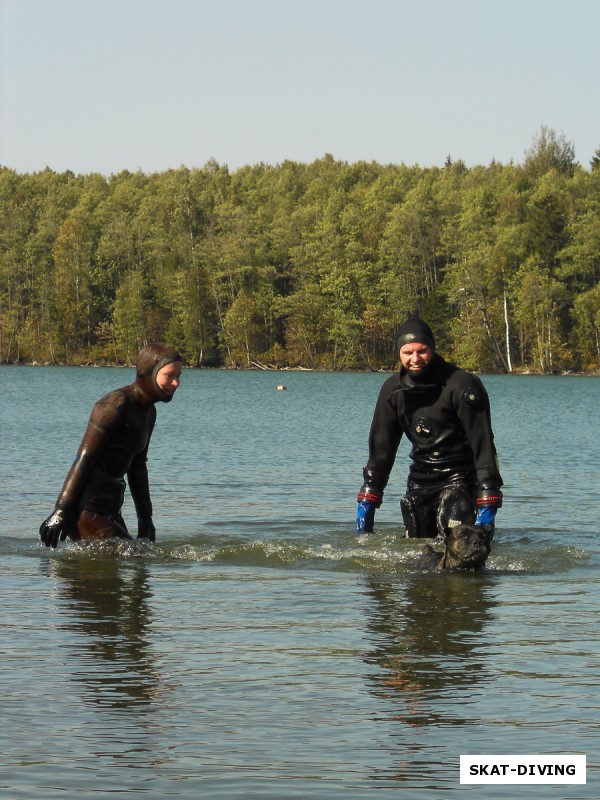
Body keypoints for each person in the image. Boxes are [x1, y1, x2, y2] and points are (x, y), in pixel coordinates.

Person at [356, 318, 503, 538]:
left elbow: (483, 446)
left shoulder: (462, 385)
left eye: (422, 351)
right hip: (420, 482)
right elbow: (381, 451)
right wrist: (368, 497)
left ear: (432, 349)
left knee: (458, 557)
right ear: (399, 353)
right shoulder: (392, 390)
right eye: (408, 353)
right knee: (419, 558)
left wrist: (488, 499)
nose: (415, 359)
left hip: (461, 480)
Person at [39, 343, 183, 548]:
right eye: (169, 375)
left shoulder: (149, 413)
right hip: (85, 510)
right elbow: (84, 460)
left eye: (179, 376)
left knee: (139, 558)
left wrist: (145, 519)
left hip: (111, 510)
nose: (176, 383)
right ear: (149, 372)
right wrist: (60, 512)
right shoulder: (114, 405)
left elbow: (138, 467)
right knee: (133, 557)